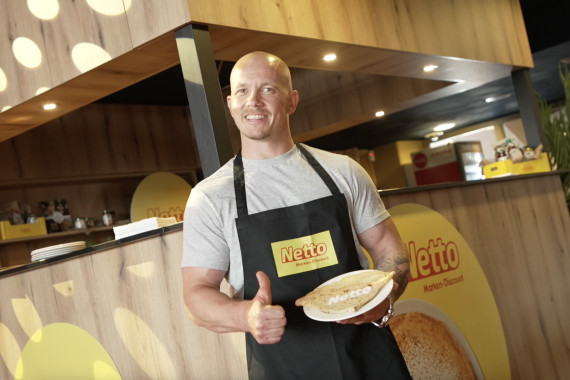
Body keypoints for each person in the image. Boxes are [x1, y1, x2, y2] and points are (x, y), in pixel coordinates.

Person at [182, 51, 412, 379]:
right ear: (231, 104)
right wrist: (246, 316)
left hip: (368, 358)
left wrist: (384, 298)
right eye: (243, 91)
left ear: (292, 101)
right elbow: (196, 295)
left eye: (268, 90)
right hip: (284, 367)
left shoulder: (342, 171)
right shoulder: (210, 197)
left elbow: (391, 251)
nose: (254, 102)